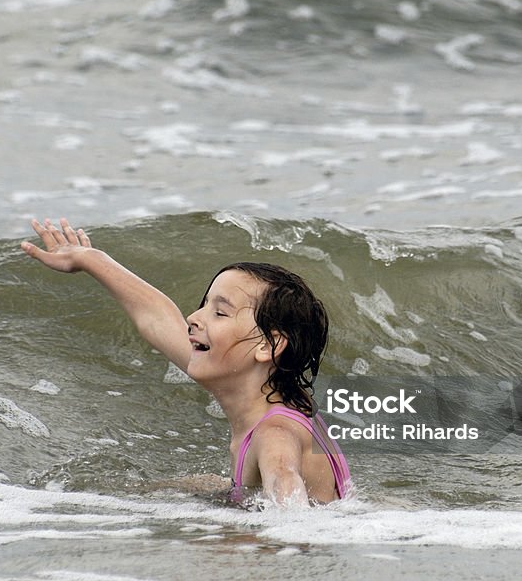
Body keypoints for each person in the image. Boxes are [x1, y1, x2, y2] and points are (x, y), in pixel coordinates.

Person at [21, 217, 351, 506]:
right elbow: (157, 319)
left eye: (220, 312)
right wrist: (90, 259)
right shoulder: (269, 390)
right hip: (321, 511)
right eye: (204, 305)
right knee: (166, 489)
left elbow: (284, 482)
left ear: (268, 345)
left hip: (314, 542)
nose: (193, 317)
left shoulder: (274, 433)